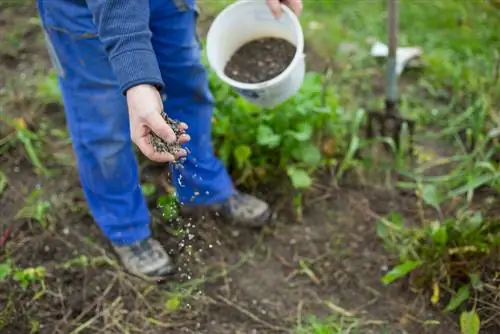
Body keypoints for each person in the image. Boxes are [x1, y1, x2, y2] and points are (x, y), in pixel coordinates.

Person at [36, 0, 302, 281]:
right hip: (86, 11)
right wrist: (137, 78)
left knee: (186, 84)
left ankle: (201, 188)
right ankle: (125, 226)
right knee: (102, 119)